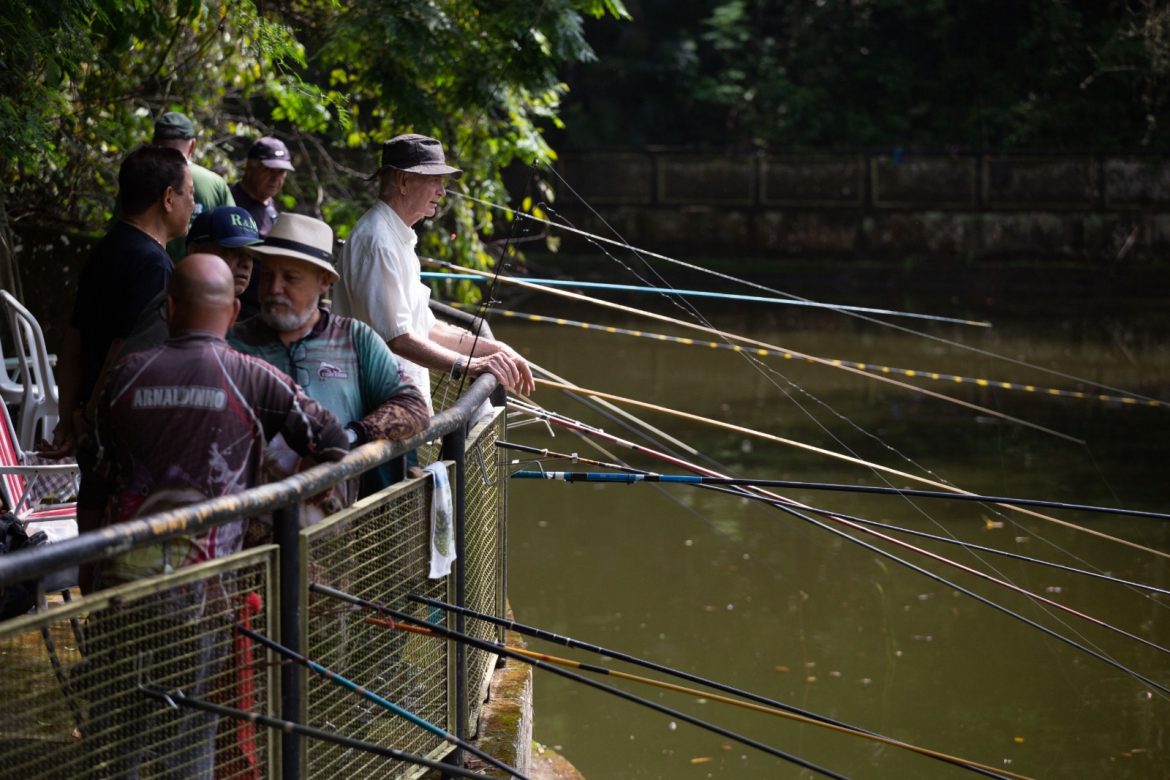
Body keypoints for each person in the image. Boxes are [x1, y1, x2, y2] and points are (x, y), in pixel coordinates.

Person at [78, 253, 350, 779]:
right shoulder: (254, 378)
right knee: (190, 741)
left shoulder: (125, 376)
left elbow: (99, 461)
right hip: (201, 596)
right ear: (231, 312)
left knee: (116, 740)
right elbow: (333, 442)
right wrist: (279, 486)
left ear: (171, 308)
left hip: (121, 591)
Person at [332, 133, 535, 421]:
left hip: (399, 417)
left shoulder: (398, 237)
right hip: (374, 418)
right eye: (434, 180)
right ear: (403, 182)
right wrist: (470, 365)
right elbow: (398, 339)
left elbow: (425, 327)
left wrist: (495, 349)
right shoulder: (377, 241)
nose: (442, 191)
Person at [229, 212, 431, 500]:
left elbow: (413, 407)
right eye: (268, 275)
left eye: (290, 278)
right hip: (251, 521)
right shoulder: (232, 341)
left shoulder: (354, 339)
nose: (275, 289)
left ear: (324, 281)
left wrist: (349, 438)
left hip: (339, 526)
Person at [49, 145, 195, 457]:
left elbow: (73, 340)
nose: (194, 205)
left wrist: (68, 418)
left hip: (94, 429)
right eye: (190, 194)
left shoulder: (106, 248)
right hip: (122, 431)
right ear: (168, 198)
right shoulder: (155, 266)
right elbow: (124, 351)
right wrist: (88, 417)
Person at [118, 205, 262, 356]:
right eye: (232, 251)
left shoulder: (213, 306)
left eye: (250, 254)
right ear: (194, 250)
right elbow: (133, 367)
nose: (246, 263)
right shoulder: (178, 306)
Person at [152, 110, 235, 260]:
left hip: (149, 273)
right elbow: (234, 234)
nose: (191, 203)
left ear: (154, 144)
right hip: (203, 278)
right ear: (192, 145)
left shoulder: (140, 177)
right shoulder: (215, 183)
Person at [232, 135, 294, 319]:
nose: (276, 179)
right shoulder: (230, 203)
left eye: (282, 173)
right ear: (250, 166)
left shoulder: (270, 206)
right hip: (236, 309)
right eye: (270, 170)